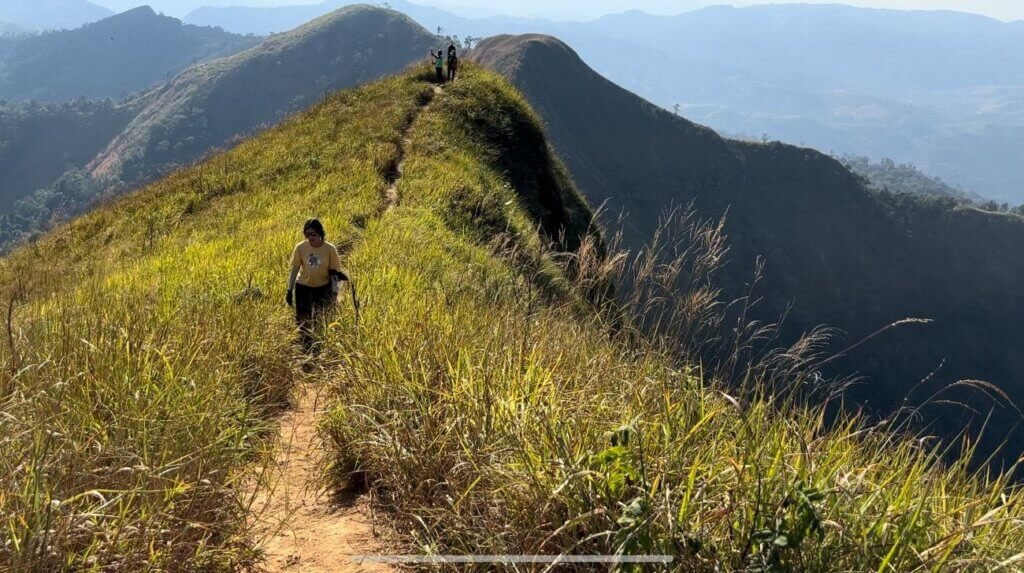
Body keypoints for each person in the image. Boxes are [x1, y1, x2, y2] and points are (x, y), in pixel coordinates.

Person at [286, 219, 346, 351]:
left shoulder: (330, 249)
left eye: (313, 234)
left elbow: (334, 273)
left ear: (320, 233)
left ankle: (318, 346)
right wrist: (289, 290)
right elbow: (295, 269)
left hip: (322, 287)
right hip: (303, 287)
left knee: (320, 318)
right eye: (307, 234)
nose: (310, 237)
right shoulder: (300, 247)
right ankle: (305, 346)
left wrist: (334, 293)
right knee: (303, 319)